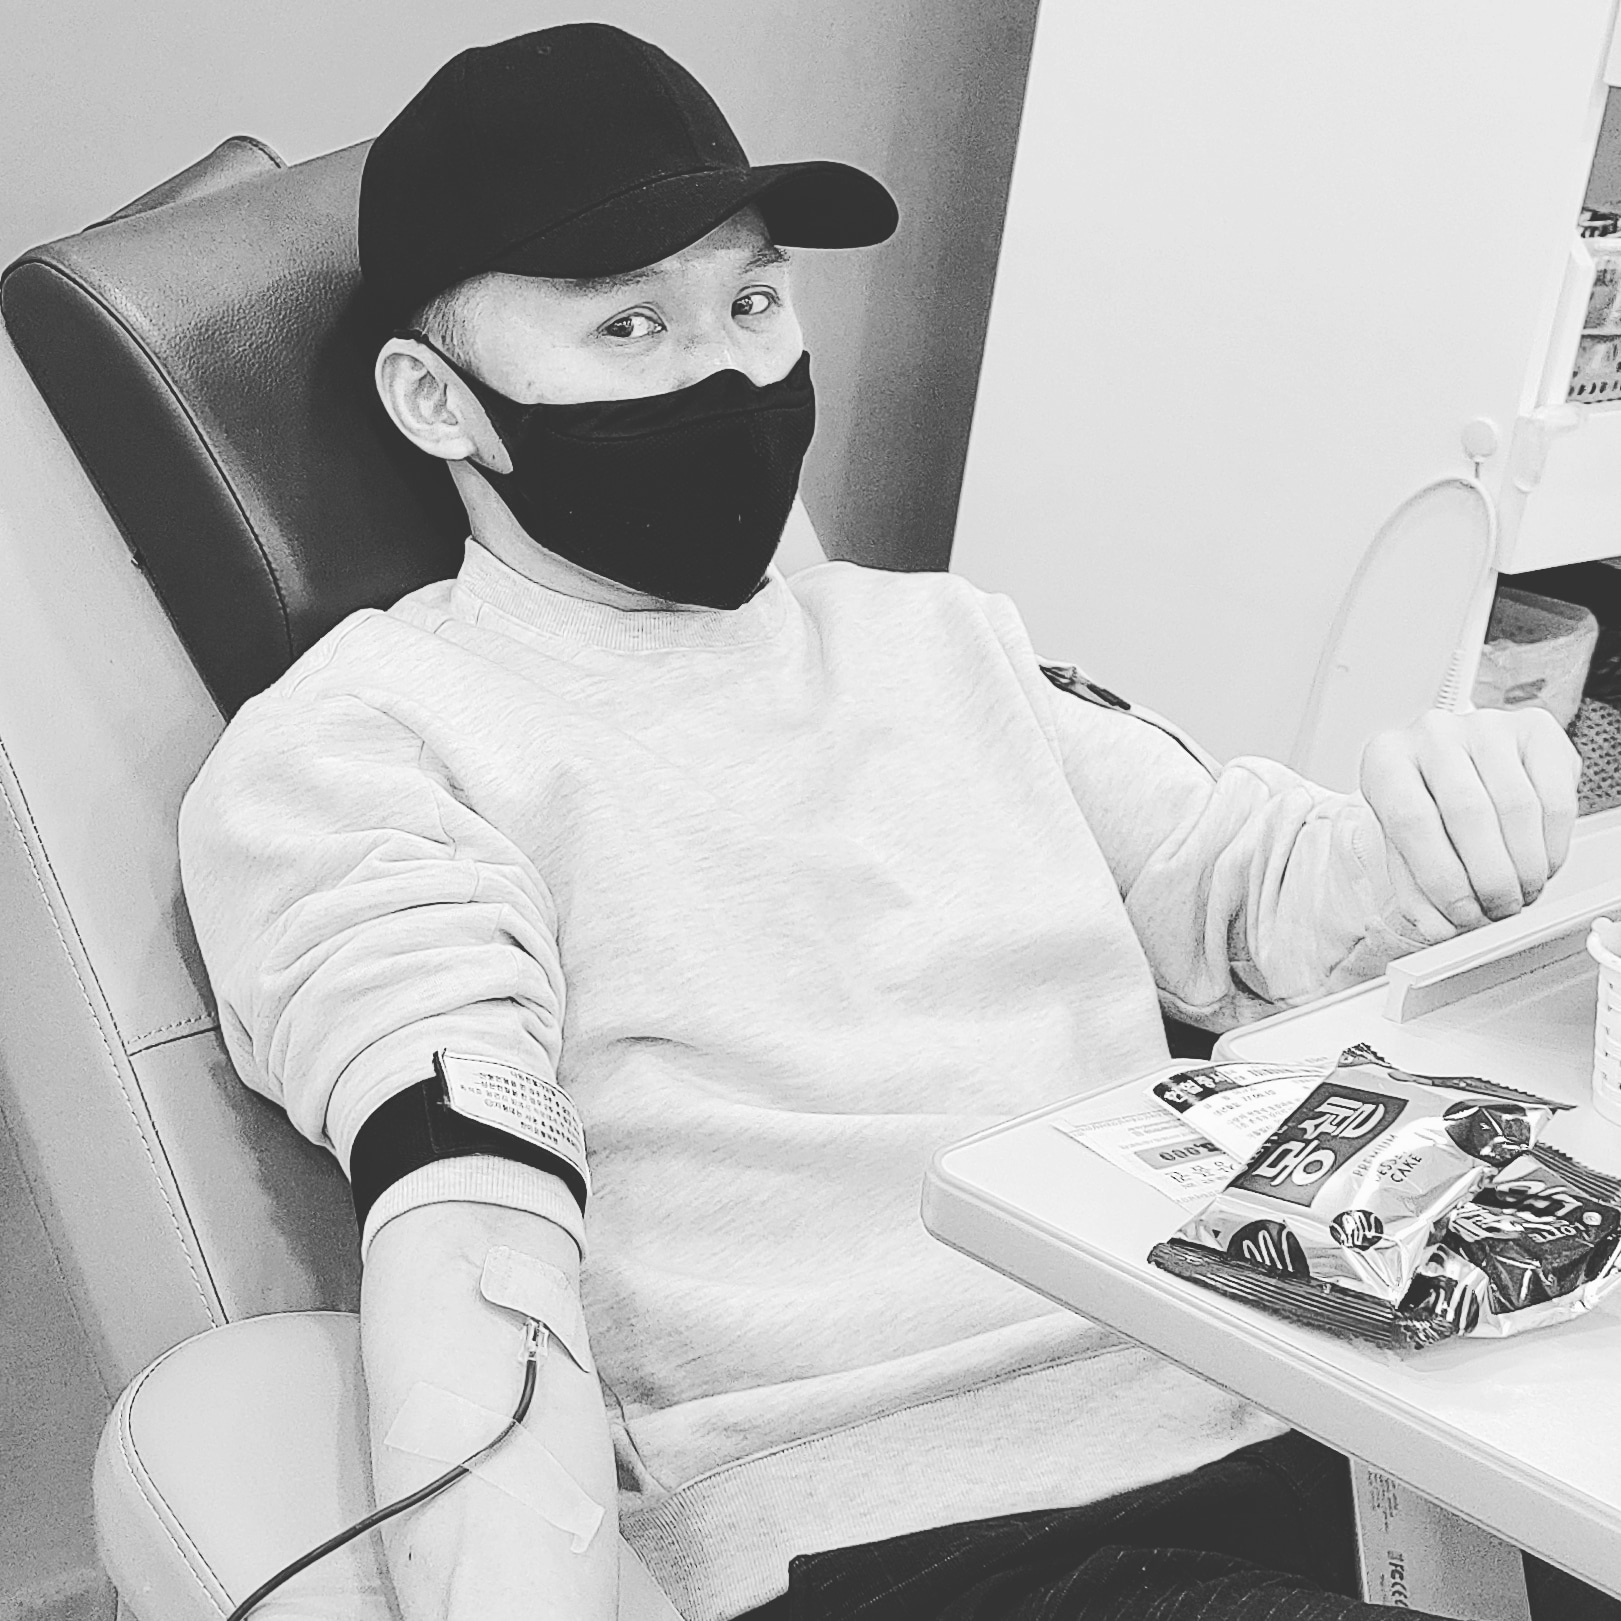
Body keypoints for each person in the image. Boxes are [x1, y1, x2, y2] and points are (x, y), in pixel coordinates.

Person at [178, 23, 1592, 1621]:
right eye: (629, 324)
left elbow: (1255, 892)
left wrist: (1442, 822)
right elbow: (466, 1218)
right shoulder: (370, 744)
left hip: (1320, 1405)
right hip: (926, 1532)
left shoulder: (941, 641)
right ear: (437, 398)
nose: (726, 374)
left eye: (751, 303)